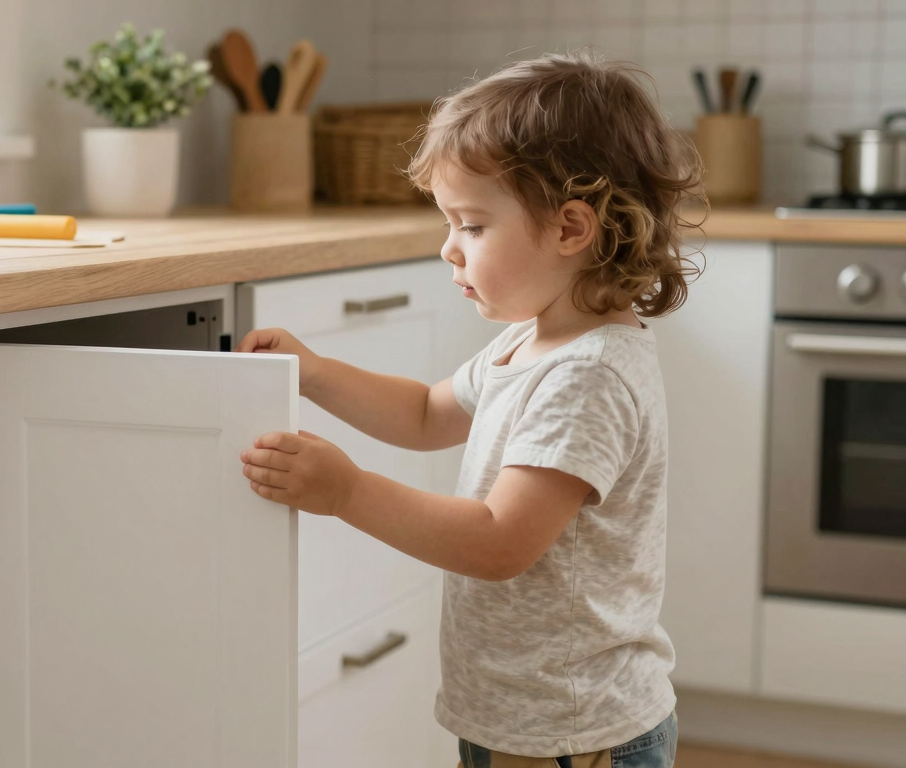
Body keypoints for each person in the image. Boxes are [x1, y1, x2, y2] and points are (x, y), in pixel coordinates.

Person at [237, 50, 704, 767]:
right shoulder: (533, 343)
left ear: (570, 229)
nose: (449, 250)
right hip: (519, 719)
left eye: (473, 226)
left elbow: (497, 542)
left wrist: (347, 491)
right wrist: (317, 373)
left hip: (578, 738)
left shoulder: (589, 375)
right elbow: (427, 413)